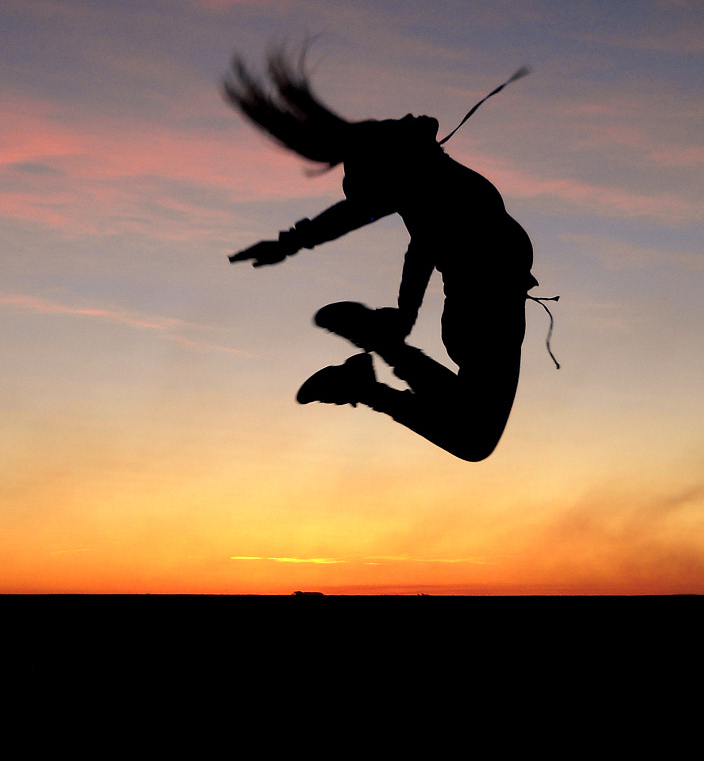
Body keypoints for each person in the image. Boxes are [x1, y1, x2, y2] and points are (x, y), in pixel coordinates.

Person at [224, 45, 542, 462]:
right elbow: (385, 224)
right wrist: (291, 244)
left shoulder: (427, 182)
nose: (410, 119)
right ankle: (371, 369)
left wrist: (402, 315)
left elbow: (415, 236)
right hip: (486, 305)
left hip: (483, 305)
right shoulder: (422, 177)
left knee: (472, 431)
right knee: (474, 436)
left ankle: (369, 374)